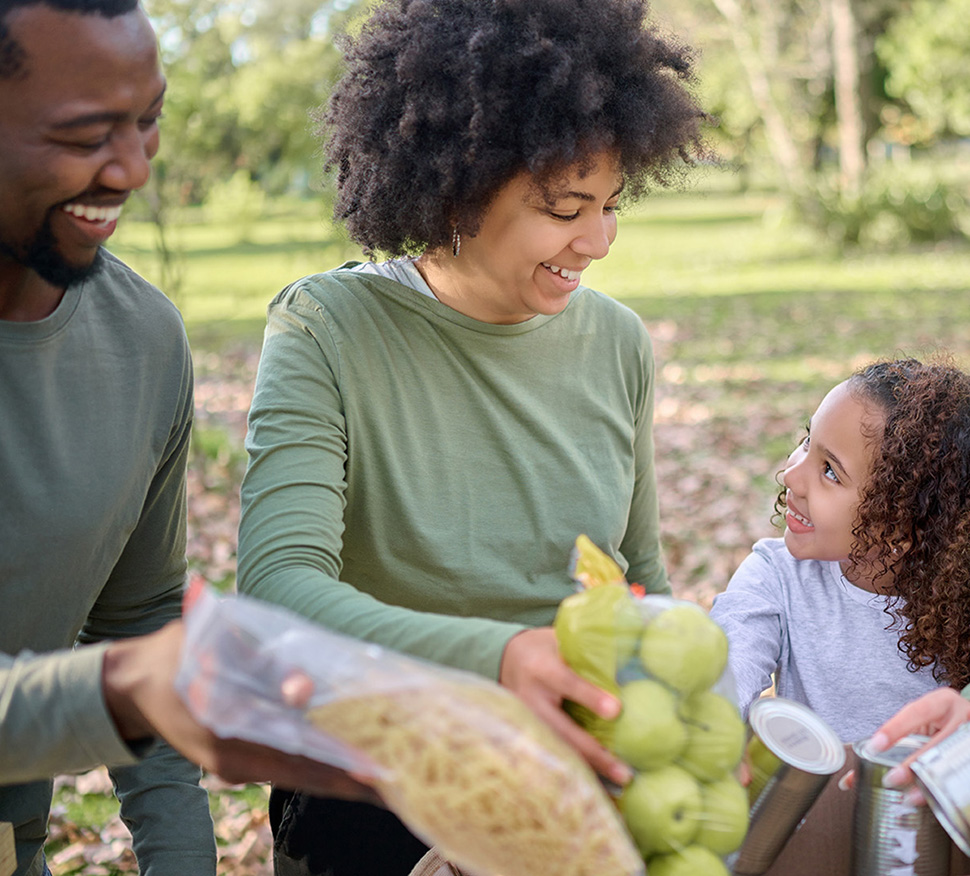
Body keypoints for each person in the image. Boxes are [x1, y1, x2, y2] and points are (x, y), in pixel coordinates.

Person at [235, 0, 707, 873]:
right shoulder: (325, 329)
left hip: (571, 780)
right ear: (457, 186)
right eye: (567, 206)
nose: (598, 241)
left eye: (611, 204)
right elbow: (277, 586)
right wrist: (502, 658)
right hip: (374, 779)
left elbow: (639, 581)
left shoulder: (618, 342)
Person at [0, 3, 374, 875]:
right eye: (88, 133)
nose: (132, 167)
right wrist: (122, 691)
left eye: (148, 120)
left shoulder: (142, 341)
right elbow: (135, 679)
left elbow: (138, 623)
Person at [710, 358, 970, 743]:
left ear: (901, 526)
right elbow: (722, 675)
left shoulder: (957, 605)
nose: (791, 476)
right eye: (807, 442)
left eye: (830, 470)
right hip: (805, 802)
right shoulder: (775, 576)